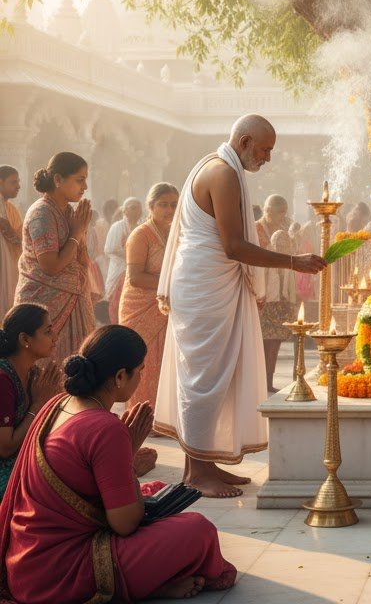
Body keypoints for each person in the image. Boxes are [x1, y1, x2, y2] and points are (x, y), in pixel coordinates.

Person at [154, 115, 326, 498]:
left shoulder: (219, 168)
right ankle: (197, 474)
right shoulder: (223, 173)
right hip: (204, 287)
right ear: (246, 141)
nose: (267, 158)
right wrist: (293, 261)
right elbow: (233, 246)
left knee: (215, 375)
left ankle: (201, 462)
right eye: (264, 150)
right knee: (204, 377)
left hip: (208, 283)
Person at [0, 324, 236, 601]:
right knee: (198, 530)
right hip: (61, 573)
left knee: (158, 490)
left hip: (25, 561)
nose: (141, 377)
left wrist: (126, 452)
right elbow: (125, 524)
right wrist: (125, 455)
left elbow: (81, 478)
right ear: (121, 376)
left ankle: (148, 582)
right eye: (141, 370)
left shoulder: (58, 404)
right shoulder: (104, 427)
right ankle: (140, 584)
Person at [13, 153, 95, 364]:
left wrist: (80, 232)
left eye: (85, 179)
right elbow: (51, 266)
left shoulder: (69, 212)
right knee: (46, 372)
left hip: (74, 301)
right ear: (58, 180)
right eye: (80, 179)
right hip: (45, 309)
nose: (85, 186)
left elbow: (82, 261)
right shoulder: (41, 214)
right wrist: (76, 233)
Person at [119, 183, 178, 413]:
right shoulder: (140, 235)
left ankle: (165, 416)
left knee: (166, 361)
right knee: (145, 362)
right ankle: (142, 416)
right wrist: (170, 283)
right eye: (163, 205)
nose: (169, 210)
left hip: (167, 306)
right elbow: (135, 277)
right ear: (150, 206)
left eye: (174, 204)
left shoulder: (176, 234)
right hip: (140, 308)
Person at [0, 304, 61, 498]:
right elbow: (5, 448)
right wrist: (39, 404)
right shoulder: (3, 379)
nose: (55, 337)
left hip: (22, 457)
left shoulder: (33, 374)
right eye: (48, 331)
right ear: (25, 339)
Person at [255, 194, 297, 393]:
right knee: (258, 341)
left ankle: (268, 379)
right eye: (280, 213)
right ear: (268, 211)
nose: (282, 217)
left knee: (275, 340)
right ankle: (257, 380)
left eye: (284, 214)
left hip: (279, 297)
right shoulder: (255, 230)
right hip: (258, 295)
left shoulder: (281, 232)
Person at [103, 197, 142, 324]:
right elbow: (109, 249)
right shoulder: (117, 227)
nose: (137, 211)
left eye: (138, 208)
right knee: (117, 303)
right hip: (120, 270)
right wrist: (128, 254)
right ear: (125, 211)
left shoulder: (142, 227)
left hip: (138, 271)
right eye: (133, 208)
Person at [0, 168, 23, 318]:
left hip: (9, 259)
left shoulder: (11, 208)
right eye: (13, 182)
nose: (18, 186)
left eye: (18, 182)